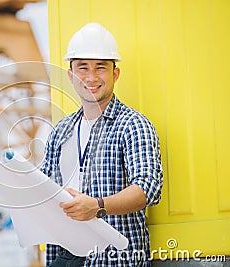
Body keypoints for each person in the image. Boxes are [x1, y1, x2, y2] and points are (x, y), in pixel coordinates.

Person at [41, 23, 164, 266]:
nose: (91, 77)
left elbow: (148, 188)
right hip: (64, 256)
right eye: (82, 68)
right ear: (70, 75)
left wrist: (98, 207)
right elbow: (45, 191)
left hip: (112, 259)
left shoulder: (133, 125)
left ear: (115, 74)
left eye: (101, 68)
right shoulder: (60, 132)